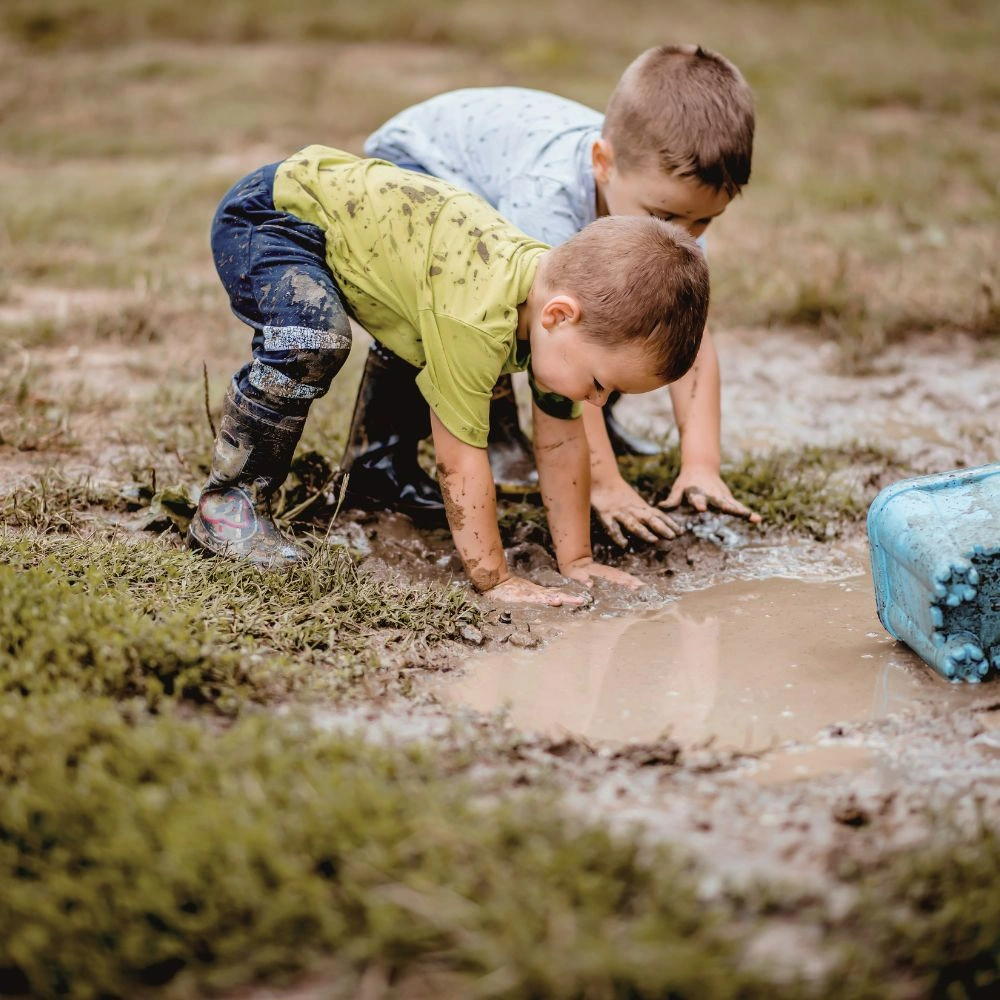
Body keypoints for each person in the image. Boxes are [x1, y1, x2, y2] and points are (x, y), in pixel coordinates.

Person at [188, 145, 709, 606]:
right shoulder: (477, 319)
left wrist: (576, 563)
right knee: (314, 338)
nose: (597, 401)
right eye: (602, 384)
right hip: (275, 217)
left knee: (420, 342)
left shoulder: (551, 312)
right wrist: (495, 579)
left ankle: (376, 474)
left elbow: (560, 442)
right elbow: (459, 459)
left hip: (358, 239)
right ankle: (228, 503)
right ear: (559, 315)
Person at [351, 43, 761, 543]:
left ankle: (598, 426)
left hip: (493, 171)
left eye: (704, 220)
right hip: (422, 168)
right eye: (666, 217)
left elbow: (687, 338)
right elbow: (556, 327)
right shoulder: (547, 197)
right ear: (602, 163)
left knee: (626, 318)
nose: (687, 232)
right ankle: (435, 448)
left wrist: (701, 465)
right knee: (483, 311)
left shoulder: (670, 212)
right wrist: (604, 486)